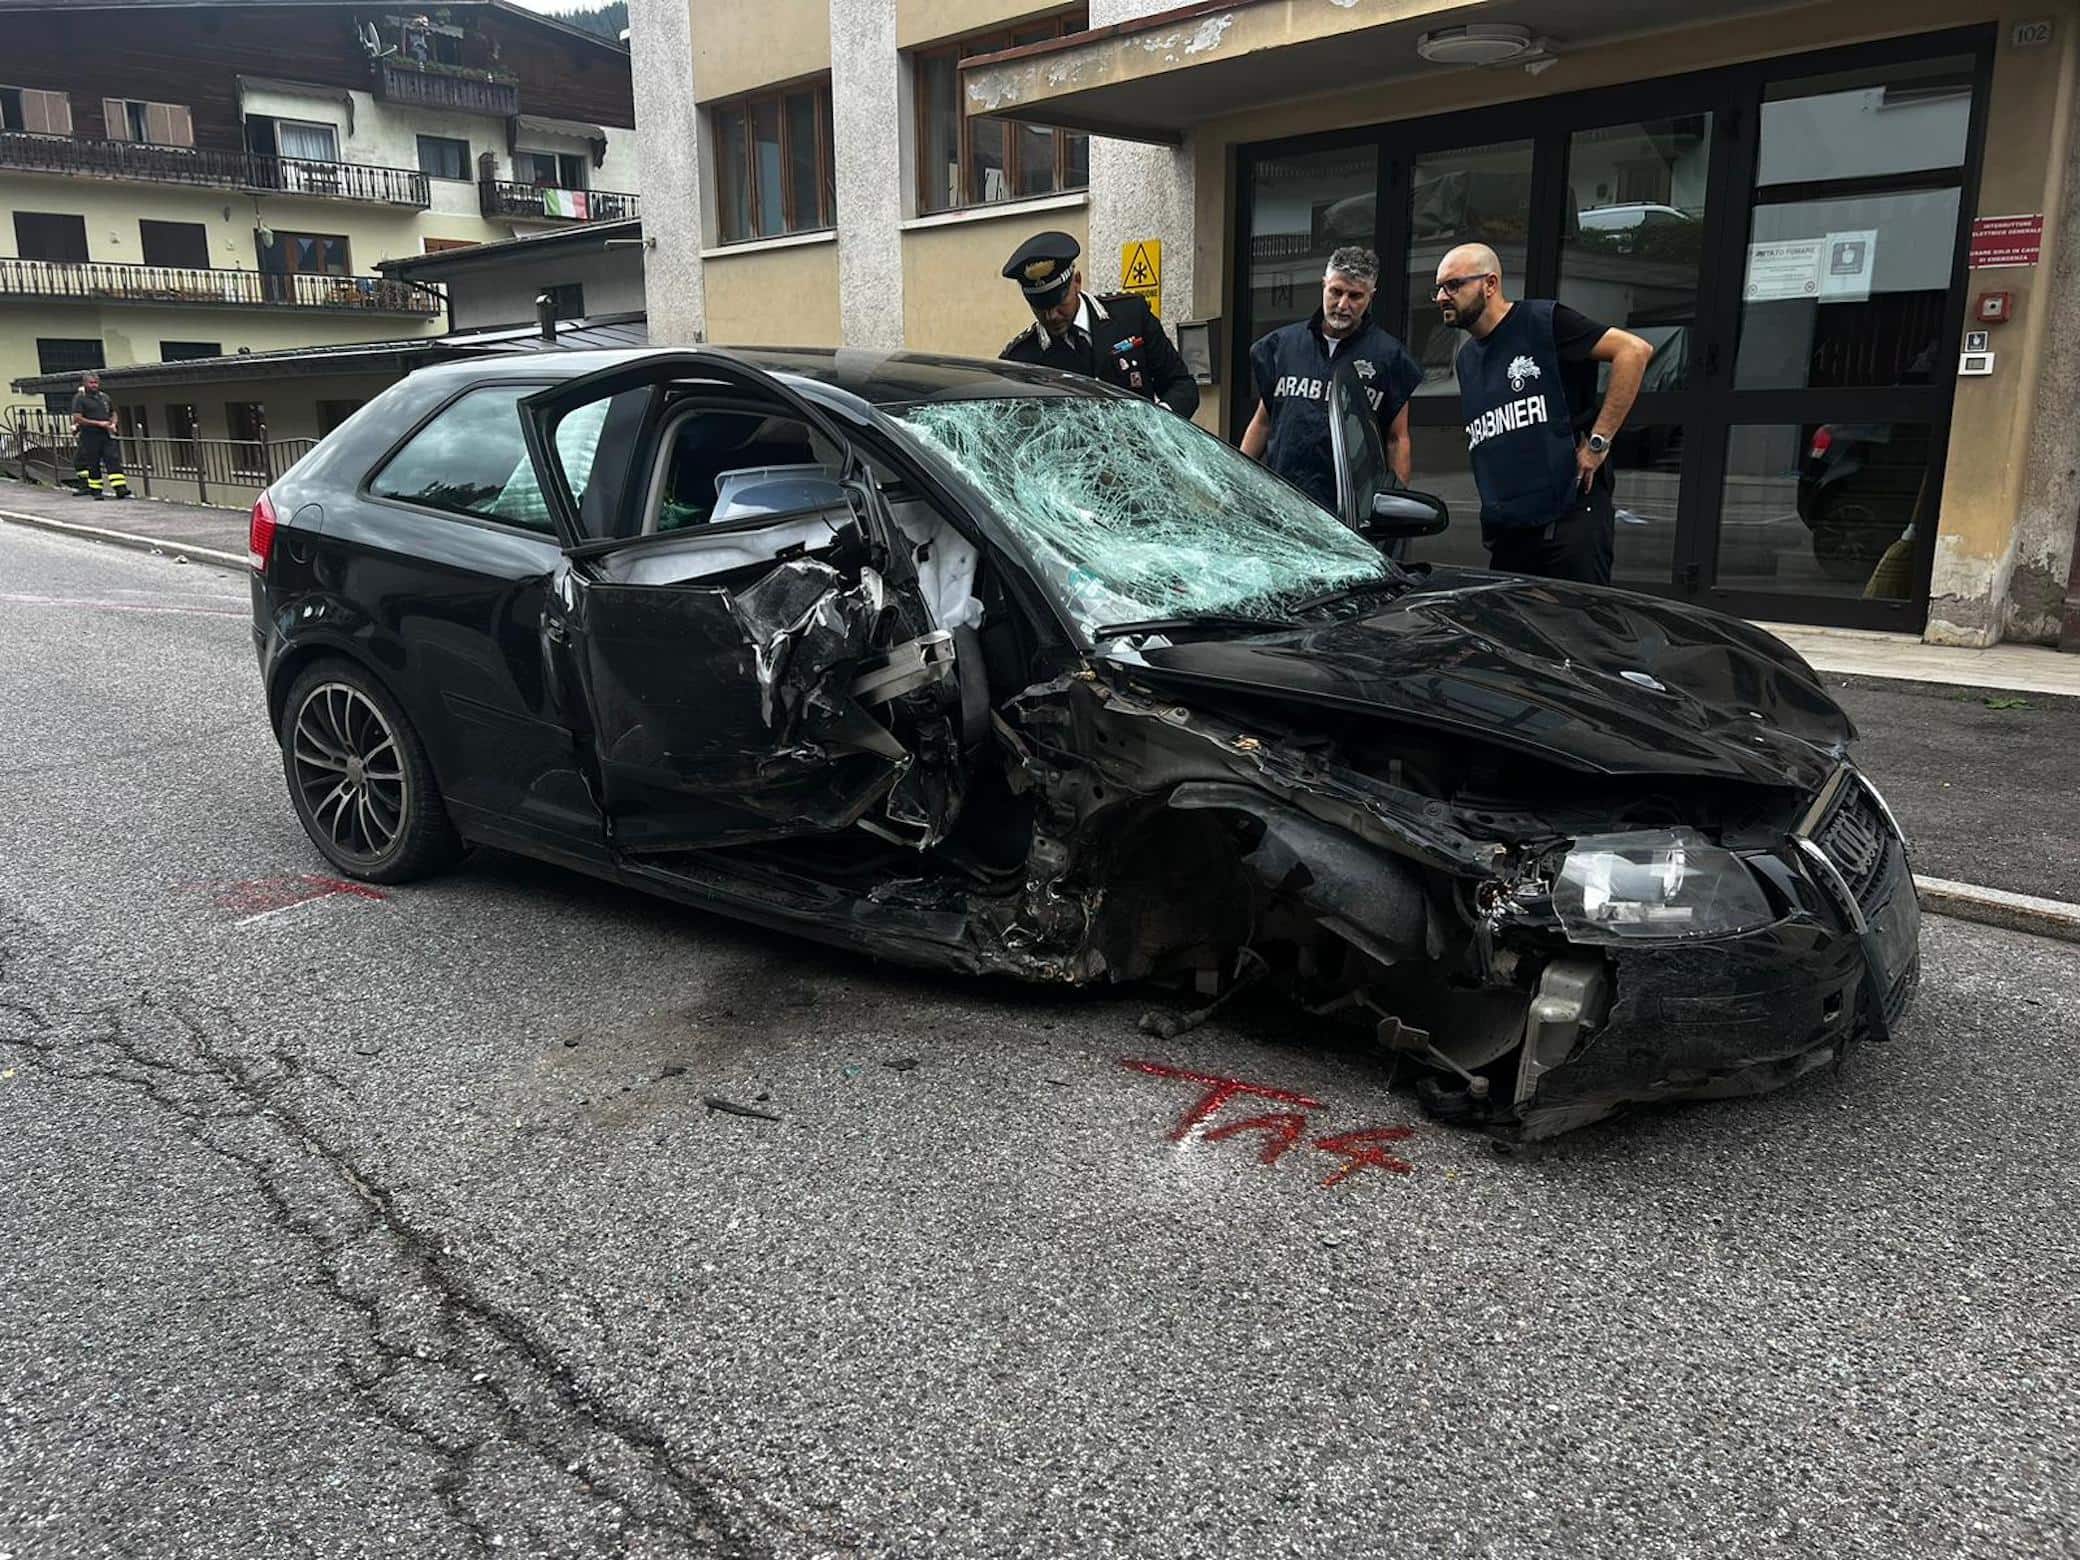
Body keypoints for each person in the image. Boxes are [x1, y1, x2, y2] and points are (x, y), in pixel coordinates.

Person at [1436, 243, 1650, 585]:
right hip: (1511, 532)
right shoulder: (1466, 359)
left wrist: (1598, 443)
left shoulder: (1543, 322)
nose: (1442, 297)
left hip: (1569, 520)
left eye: (1453, 285)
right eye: (1439, 288)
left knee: (1579, 630)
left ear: (1490, 284)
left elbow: (1634, 351)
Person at [1240, 246, 1422, 513]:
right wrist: (1234, 480)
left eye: (1355, 296)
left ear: (1371, 296)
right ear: (1324, 285)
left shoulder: (1389, 357)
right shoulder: (1282, 346)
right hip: (1280, 504)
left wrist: (1395, 511)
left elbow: (1397, 440)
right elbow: (1263, 422)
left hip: (1347, 514)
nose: (1342, 305)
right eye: (1336, 292)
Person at [999, 231, 1198, 418]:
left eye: (1059, 303)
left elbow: (1182, 386)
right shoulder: (1021, 358)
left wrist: (1157, 423)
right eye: (1039, 308)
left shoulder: (1130, 316)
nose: (1051, 316)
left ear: (1077, 282)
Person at [69, 372, 129, 501]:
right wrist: (99, 423)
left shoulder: (104, 397)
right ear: (84, 383)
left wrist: (113, 423)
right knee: (93, 463)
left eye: (96, 382)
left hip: (105, 434)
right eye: (91, 383)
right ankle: (96, 490)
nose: (94, 385)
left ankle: (120, 488)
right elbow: (78, 418)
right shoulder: (80, 398)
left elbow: (113, 412)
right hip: (89, 435)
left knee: (112, 460)